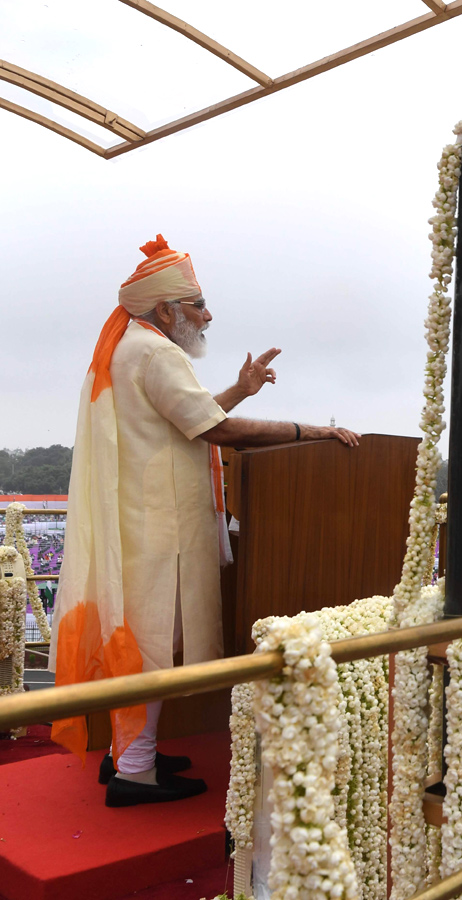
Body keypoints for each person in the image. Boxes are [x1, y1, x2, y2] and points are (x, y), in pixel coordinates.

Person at [51, 236, 359, 808]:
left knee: (146, 643)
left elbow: (192, 418)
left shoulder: (131, 347)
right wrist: (311, 431)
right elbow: (215, 430)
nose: (207, 315)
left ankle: (129, 753)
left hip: (145, 526)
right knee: (149, 647)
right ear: (165, 311)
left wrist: (238, 392)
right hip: (158, 531)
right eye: (196, 304)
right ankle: (134, 773)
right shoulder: (155, 352)